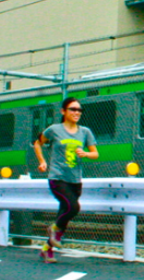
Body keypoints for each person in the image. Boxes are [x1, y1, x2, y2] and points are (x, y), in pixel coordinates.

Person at [33, 97, 98, 263]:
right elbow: (37, 143)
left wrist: (86, 154)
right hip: (57, 177)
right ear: (63, 111)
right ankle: (53, 229)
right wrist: (42, 161)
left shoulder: (85, 132)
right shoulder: (54, 130)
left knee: (64, 213)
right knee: (73, 207)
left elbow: (95, 153)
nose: (77, 112)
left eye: (79, 110)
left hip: (75, 180)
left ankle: (47, 250)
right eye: (73, 109)